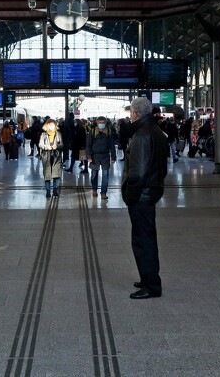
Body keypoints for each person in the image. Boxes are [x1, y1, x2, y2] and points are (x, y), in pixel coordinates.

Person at [121, 97, 168, 299]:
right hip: (152, 191)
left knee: (142, 240)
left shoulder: (141, 135)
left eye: (131, 112)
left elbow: (137, 173)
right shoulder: (157, 131)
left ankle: (151, 285)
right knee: (147, 236)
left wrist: (129, 195)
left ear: (135, 113)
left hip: (141, 195)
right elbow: (163, 167)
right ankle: (147, 277)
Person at [86, 116, 117, 200]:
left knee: (105, 175)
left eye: (103, 123)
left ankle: (103, 192)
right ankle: (94, 189)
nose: (101, 124)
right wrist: (88, 156)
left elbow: (112, 145)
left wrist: (113, 157)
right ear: (97, 123)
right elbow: (88, 145)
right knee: (94, 175)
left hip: (105, 156)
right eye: (100, 123)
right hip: (94, 156)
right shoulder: (92, 132)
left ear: (105, 123)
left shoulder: (109, 132)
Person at [39, 118, 65, 197]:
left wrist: (56, 146)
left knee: (56, 173)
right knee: (47, 174)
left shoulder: (58, 134)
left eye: (53, 125)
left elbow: (62, 145)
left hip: (56, 156)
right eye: (50, 125)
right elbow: (40, 144)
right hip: (46, 155)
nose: (51, 126)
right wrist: (47, 147)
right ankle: (47, 190)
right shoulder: (43, 135)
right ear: (47, 125)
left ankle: (55, 189)